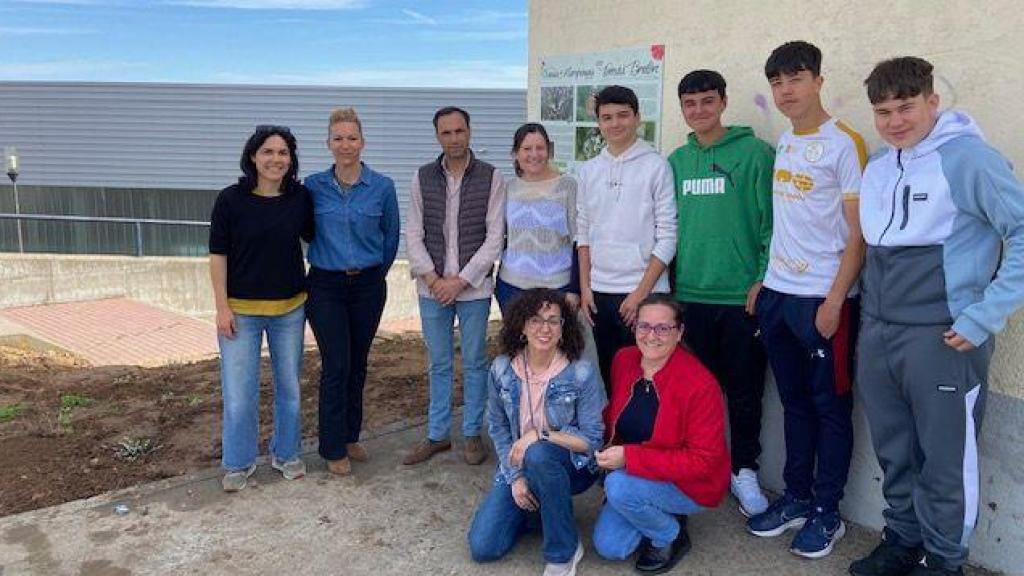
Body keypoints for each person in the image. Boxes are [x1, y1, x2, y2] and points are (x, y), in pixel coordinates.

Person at [850, 57, 1024, 576]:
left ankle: (945, 561)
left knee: (946, 461)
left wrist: (983, 317)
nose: (895, 121)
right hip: (879, 332)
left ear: (932, 101)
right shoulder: (880, 164)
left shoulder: (970, 159)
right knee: (895, 450)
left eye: (906, 107)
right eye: (882, 111)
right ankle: (903, 540)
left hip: (943, 337)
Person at [746, 41, 867, 559]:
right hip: (778, 296)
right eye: (776, 82)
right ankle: (795, 496)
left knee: (830, 408)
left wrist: (836, 298)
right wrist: (764, 280)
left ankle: (827, 511)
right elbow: (789, 224)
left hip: (823, 301)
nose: (785, 91)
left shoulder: (845, 143)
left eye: (795, 78)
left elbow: (858, 234)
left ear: (818, 80)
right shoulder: (787, 142)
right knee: (793, 404)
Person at [667, 69, 775, 517]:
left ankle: (744, 470)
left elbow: (774, 221)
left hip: (741, 297)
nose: (699, 111)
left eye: (707, 102)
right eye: (690, 104)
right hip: (690, 295)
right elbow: (666, 228)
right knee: (698, 393)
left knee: (745, 390)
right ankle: (705, 466)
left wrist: (764, 276)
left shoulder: (756, 154)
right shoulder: (675, 161)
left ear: (724, 102)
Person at [467, 289, 605, 576]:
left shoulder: (580, 372)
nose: (545, 328)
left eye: (553, 321)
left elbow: (592, 440)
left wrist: (540, 435)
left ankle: (563, 551)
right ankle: (551, 511)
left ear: (563, 328)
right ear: (521, 326)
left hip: (571, 466)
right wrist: (515, 478)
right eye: (536, 320)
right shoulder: (502, 369)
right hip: (521, 468)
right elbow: (498, 426)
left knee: (539, 452)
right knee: (484, 547)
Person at [208, 125, 313, 492]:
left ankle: (286, 453)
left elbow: (318, 238)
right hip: (241, 312)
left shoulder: (300, 198)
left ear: (291, 159)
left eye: (283, 153)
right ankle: (238, 462)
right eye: (267, 152)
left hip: (290, 310)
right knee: (239, 392)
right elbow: (217, 256)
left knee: (290, 388)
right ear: (253, 156)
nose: (275, 159)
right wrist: (222, 308)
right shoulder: (230, 200)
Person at [592, 294, 729, 574]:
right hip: (636, 472)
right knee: (611, 547)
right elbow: (614, 416)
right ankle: (649, 504)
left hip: (690, 484)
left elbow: (704, 462)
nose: (651, 335)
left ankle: (670, 534)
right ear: (634, 328)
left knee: (618, 487)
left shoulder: (700, 384)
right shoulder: (624, 359)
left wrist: (628, 458)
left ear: (679, 333)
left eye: (663, 328)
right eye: (644, 326)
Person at [404, 106, 506, 466]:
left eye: (459, 131)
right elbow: (413, 234)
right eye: (446, 133)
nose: (454, 138)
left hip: (474, 289)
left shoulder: (492, 177)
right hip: (432, 289)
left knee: (476, 361)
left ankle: (472, 433)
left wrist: (460, 280)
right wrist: (433, 279)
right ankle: (437, 435)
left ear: (470, 132)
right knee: (439, 362)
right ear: (437, 137)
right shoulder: (422, 177)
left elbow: (495, 237)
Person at [305, 108, 400, 476]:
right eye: (338, 138)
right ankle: (331, 447)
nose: (345, 145)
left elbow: (391, 236)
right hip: (326, 285)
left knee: (358, 363)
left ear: (363, 142)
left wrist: (376, 272)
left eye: (352, 138)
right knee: (336, 364)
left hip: (367, 285)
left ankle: (350, 435)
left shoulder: (382, 186)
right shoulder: (312, 187)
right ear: (328, 143)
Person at [576, 85, 677, 391]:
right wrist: (585, 287)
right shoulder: (589, 170)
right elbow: (583, 232)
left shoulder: (656, 166)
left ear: (637, 117)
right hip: (600, 293)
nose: (615, 123)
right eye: (607, 117)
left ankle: (646, 440)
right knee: (612, 375)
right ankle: (616, 438)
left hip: (645, 294)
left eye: (623, 115)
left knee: (648, 376)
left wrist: (640, 294)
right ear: (598, 122)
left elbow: (669, 235)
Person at [495, 123, 580, 314]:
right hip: (512, 286)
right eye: (526, 148)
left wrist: (575, 288)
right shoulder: (509, 188)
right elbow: (500, 237)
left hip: (557, 287)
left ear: (549, 151)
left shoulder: (567, 186)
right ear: (515, 154)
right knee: (517, 343)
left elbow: (579, 240)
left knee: (554, 343)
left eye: (540, 148)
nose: (534, 154)